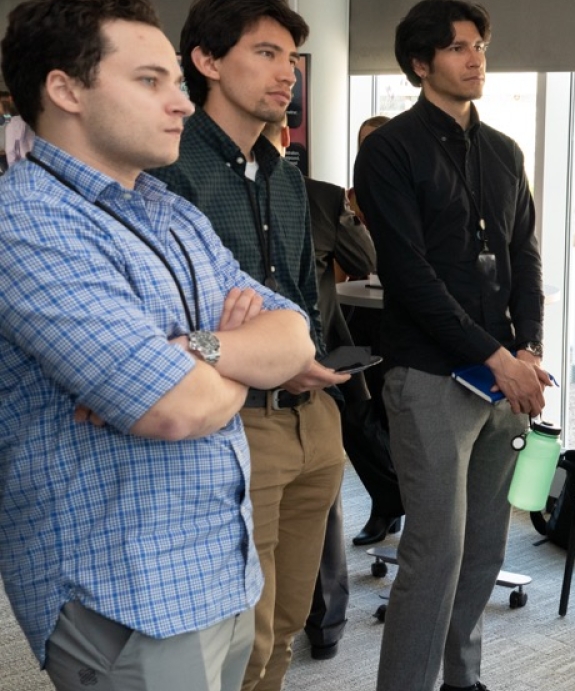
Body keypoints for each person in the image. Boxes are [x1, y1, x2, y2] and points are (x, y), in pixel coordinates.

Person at [0, 1, 316, 689]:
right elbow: (175, 407)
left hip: (219, 570)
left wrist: (192, 349)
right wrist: (230, 352)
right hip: (125, 592)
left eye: (177, 81)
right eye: (151, 81)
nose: (180, 104)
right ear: (65, 90)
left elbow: (293, 332)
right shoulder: (27, 222)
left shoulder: (167, 211)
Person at [148, 2, 346, 689]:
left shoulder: (287, 177)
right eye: (265, 53)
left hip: (312, 418)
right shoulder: (168, 171)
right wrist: (243, 345)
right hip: (230, 423)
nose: (286, 72)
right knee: (243, 638)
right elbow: (169, 332)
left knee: (288, 621)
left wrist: (302, 352)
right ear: (205, 61)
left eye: (290, 58)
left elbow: (299, 301)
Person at [353, 2, 549, 689]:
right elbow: (410, 274)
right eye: (460, 48)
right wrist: (495, 356)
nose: (475, 59)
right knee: (435, 554)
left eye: (480, 48)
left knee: (484, 553)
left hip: (503, 380)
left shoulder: (503, 151)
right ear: (420, 63)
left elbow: (525, 255)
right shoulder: (389, 150)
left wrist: (526, 347)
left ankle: (462, 679)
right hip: (432, 377)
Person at [277, 113, 379, 662]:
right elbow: (364, 259)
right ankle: (325, 628)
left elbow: (366, 263)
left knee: (316, 500)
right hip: (308, 367)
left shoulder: (317, 197)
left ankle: (315, 626)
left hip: (310, 373)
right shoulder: (321, 197)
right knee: (322, 507)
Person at [343, 113, 408, 547]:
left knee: (395, 416)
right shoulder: (347, 200)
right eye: (365, 144)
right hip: (359, 314)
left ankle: (395, 502)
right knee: (355, 418)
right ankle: (389, 497)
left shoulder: (412, 194)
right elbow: (360, 263)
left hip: (406, 321)